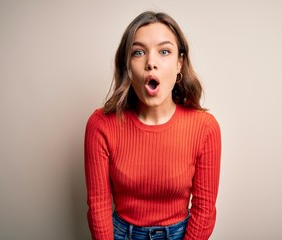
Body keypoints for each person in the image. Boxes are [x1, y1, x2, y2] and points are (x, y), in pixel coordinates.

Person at [84, 11, 221, 240]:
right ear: (127, 65)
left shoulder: (205, 128)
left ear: (180, 63)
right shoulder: (101, 125)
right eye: (138, 52)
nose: (151, 63)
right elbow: (98, 207)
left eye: (164, 51)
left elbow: (204, 211)